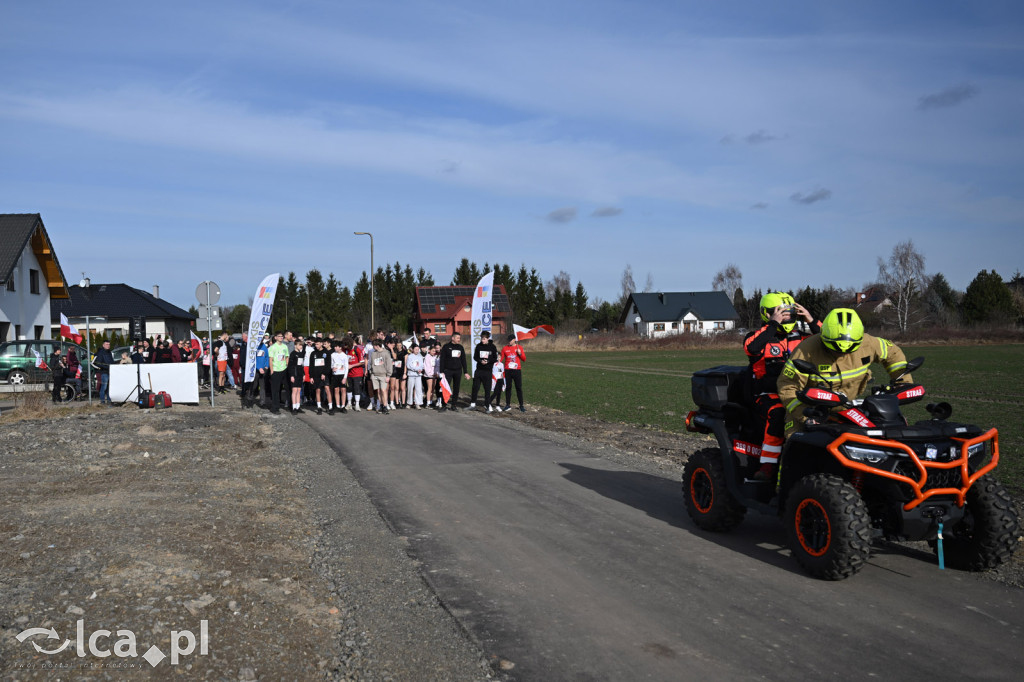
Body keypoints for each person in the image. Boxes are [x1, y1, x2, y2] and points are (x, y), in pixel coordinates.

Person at [778, 308, 912, 438]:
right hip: (811, 409)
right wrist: (805, 416)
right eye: (835, 348)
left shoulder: (869, 343)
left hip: (849, 408)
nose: (842, 352)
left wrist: (902, 382)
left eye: (850, 349)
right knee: (797, 446)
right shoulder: (806, 349)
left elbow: (893, 353)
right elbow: (787, 386)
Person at [742, 292, 821, 481]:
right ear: (767, 314)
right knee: (778, 413)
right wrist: (773, 324)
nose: (786, 318)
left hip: (798, 392)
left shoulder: (800, 338)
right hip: (767, 394)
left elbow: (826, 341)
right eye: (780, 313)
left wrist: (811, 319)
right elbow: (751, 348)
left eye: (789, 314)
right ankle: (768, 466)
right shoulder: (757, 336)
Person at [439, 332, 470, 410]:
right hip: (448, 371)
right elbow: (442, 360)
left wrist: (465, 372)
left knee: (456, 388)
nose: (459, 340)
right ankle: (444, 405)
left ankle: (454, 405)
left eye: (459, 338)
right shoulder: (446, 347)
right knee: (446, 388)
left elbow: (463, 360)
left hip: (458, 371)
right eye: (457, 338)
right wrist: (441, 371)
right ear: (453, 338)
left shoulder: (460, 347)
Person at [470, 331, 499, 411]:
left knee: (487, 388)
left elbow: (495, 358)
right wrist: (480, 361)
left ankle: (487, 404)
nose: (482, 340)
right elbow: (475, 357)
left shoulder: (492, 347)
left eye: (484, 339)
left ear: (488, 339)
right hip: (479, 370)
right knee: (475, 387)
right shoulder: (478, 346)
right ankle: (472, 403)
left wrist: (488, 361)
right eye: (482, 339)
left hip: (488, 371)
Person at [500, 334, 526, 412]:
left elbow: (524, 359)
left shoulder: (519, 348)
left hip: (517, 370)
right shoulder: (505, 348)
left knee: (518, 388)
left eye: (510, 340)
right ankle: (508, 405)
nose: (509, 341)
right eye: (508, 340)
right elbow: (500, 358)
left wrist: (520, 353)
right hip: (508, 370)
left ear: (514, 339)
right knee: (508, 388)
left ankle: (521, 405)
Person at [368, 338, 395, 414]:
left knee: (383, 390)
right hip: (375, 375)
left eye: (374, 345)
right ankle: (380, 405)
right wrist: (371, 373)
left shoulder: (386, 353)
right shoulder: (373, 353)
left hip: (383, 375)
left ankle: (385, 406)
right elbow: (370, 363)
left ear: (377, 346)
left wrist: (388, 375)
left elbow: (389, 365)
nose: (373, 347)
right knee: (378, 391)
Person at [268, 332, 290, 414]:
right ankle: (275, 407)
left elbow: (287, 356)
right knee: (275, 390)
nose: (281, 337)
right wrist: (272, 370)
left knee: (287, 388)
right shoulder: (273, 347)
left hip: (284, 369)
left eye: (282, 336)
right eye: (279, 336)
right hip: (276, 370)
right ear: (275, 338)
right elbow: (271, 359)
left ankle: (290, 405)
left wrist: (287, 366)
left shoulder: (285, 346)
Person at [308, 338, 331, 414]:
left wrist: (324, 373)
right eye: (315, 344)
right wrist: (311, 376)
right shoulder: (313, 353)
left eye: (317, 344)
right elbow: (311, 366)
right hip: (316, 375)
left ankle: (330, 407)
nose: (316, 345)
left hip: (324, 375)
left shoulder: (326, 353)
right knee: (318, 390)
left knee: (327, 389)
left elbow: (328, 365)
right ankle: (319, 407)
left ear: (321, 343)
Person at [346, 336, 366, 412]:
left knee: (357, 389)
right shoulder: (346, 350)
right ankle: (349, 403)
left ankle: (357, 405)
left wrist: (352, 366)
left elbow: (362, 362)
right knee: (349, 388)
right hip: (348, 374)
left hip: (357, 373)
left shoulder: (356, 349)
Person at [330, 339, 349, 414]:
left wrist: (345, 377)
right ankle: (337, 406)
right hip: (335, 374)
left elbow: (346, 367)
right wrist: (332, 368)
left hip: (342, 375)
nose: (335, 348)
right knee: (336, 390)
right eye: (334, 346)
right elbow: (331, 364)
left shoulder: (344, 356)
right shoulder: (332, 355)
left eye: (337, 346)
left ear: (340, 347)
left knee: (343, 390)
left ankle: (343, 406)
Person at [287, 339, 306, 414]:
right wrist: (292, 375)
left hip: (300, 374)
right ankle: (294, 407)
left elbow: (301, 365)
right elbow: (290, 366)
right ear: (295, 345)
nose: (301, 346)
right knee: (294, 391)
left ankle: (298, 406)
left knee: (299, 390)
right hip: (294, 374)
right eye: (299, 345)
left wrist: (303, 374)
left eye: (301, 345)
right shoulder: (292, 354)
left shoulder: (301, 354)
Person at [94, 339, 114, 405]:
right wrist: (106, 367)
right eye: (106, 344)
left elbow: (111, 361)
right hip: (104, 372)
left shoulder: (109, 352)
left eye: (109, 344)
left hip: (110, 372)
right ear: (103, 345)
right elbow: (97, 363)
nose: (108, 346)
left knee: (109, 388)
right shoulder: (101, 353)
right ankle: (102, 401)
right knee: (104, 387)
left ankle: (109, 401)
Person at [404, 344, 424, 408]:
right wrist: (416, 369)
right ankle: (409, 402)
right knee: (410, 389)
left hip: (418, 375)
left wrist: (420, 369)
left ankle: (418, 403)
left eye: (418, 350)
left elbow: (421, 365)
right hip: (411, 375)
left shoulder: (420, 356)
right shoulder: (410, 356)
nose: (417, 351)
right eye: (415, 349)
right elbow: (409, 365)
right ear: (412, 349)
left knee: (418, 389)